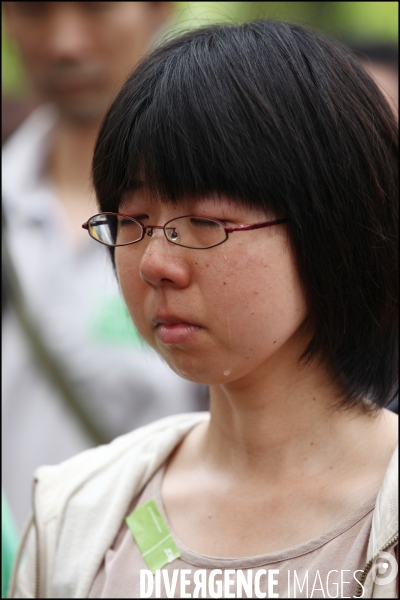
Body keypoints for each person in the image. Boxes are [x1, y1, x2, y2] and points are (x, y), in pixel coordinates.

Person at [10, 19, 398, 599]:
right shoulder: (78, 507)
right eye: (132, 222)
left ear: (330, 225)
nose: (155, 262)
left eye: (207, 223)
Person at [2, 1, 204, 534]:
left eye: (96, 7)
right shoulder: (11, 196)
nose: (65, 43)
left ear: (161, 8)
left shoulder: (223, 224)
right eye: (33, 10)